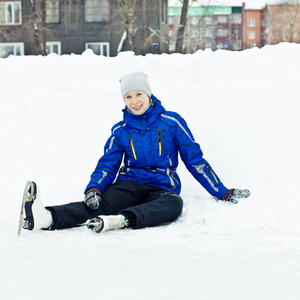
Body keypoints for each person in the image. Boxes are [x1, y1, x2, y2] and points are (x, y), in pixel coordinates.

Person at [21, 71, 250, 234]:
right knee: (98, 204)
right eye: (128, 97)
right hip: (129, 183)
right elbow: (107, 164)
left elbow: (194, 159)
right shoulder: (121, 130)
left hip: (163, 186)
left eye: (138, 94)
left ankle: (119, 221)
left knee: (174, 205)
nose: (134, 101)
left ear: (149, 95)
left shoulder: (171, 122)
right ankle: (47, 218)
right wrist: (94, 188)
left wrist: (221, 191)